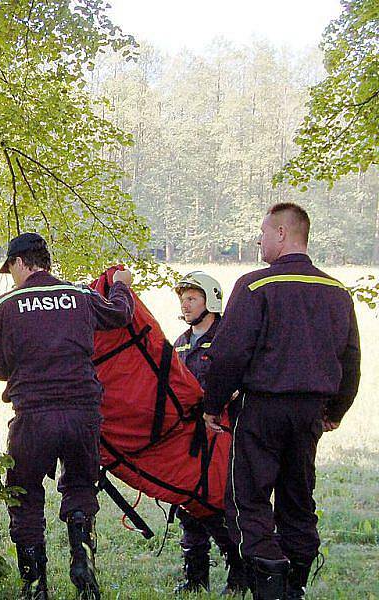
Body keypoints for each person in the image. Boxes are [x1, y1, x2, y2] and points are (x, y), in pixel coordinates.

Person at [202, 203, 361, 600]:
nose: (258, 241)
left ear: (281, 234)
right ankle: (297, 585)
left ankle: (269, 586)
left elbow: (230, 353)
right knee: (298, 499)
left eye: (262, 232)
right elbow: (351, 358)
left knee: (249, 501)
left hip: (261, 410)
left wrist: (212, 405)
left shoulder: (255, 286)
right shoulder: (337, 292)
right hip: (310, 413)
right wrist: (335, 411)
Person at [0, 233, 134, 600]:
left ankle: (35, 585)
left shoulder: (6, 304)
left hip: (33, 417)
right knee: (81, 487)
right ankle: (82, 561)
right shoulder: (80, 296)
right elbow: (121, 315)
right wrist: (120, 286)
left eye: (11, 269)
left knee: (24, 495)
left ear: (20, 263)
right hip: (83, 414)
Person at [171, 271, 247, 595]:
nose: (186, 305)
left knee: (220, 506)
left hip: (224, 435)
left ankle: (239, 575)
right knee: (189, 504)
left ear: (211, 301)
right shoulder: (179, 344)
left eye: (192, 298)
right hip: (189, 439)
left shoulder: (229, 338)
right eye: (183, 299)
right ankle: (195, 577)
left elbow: (239, 382)